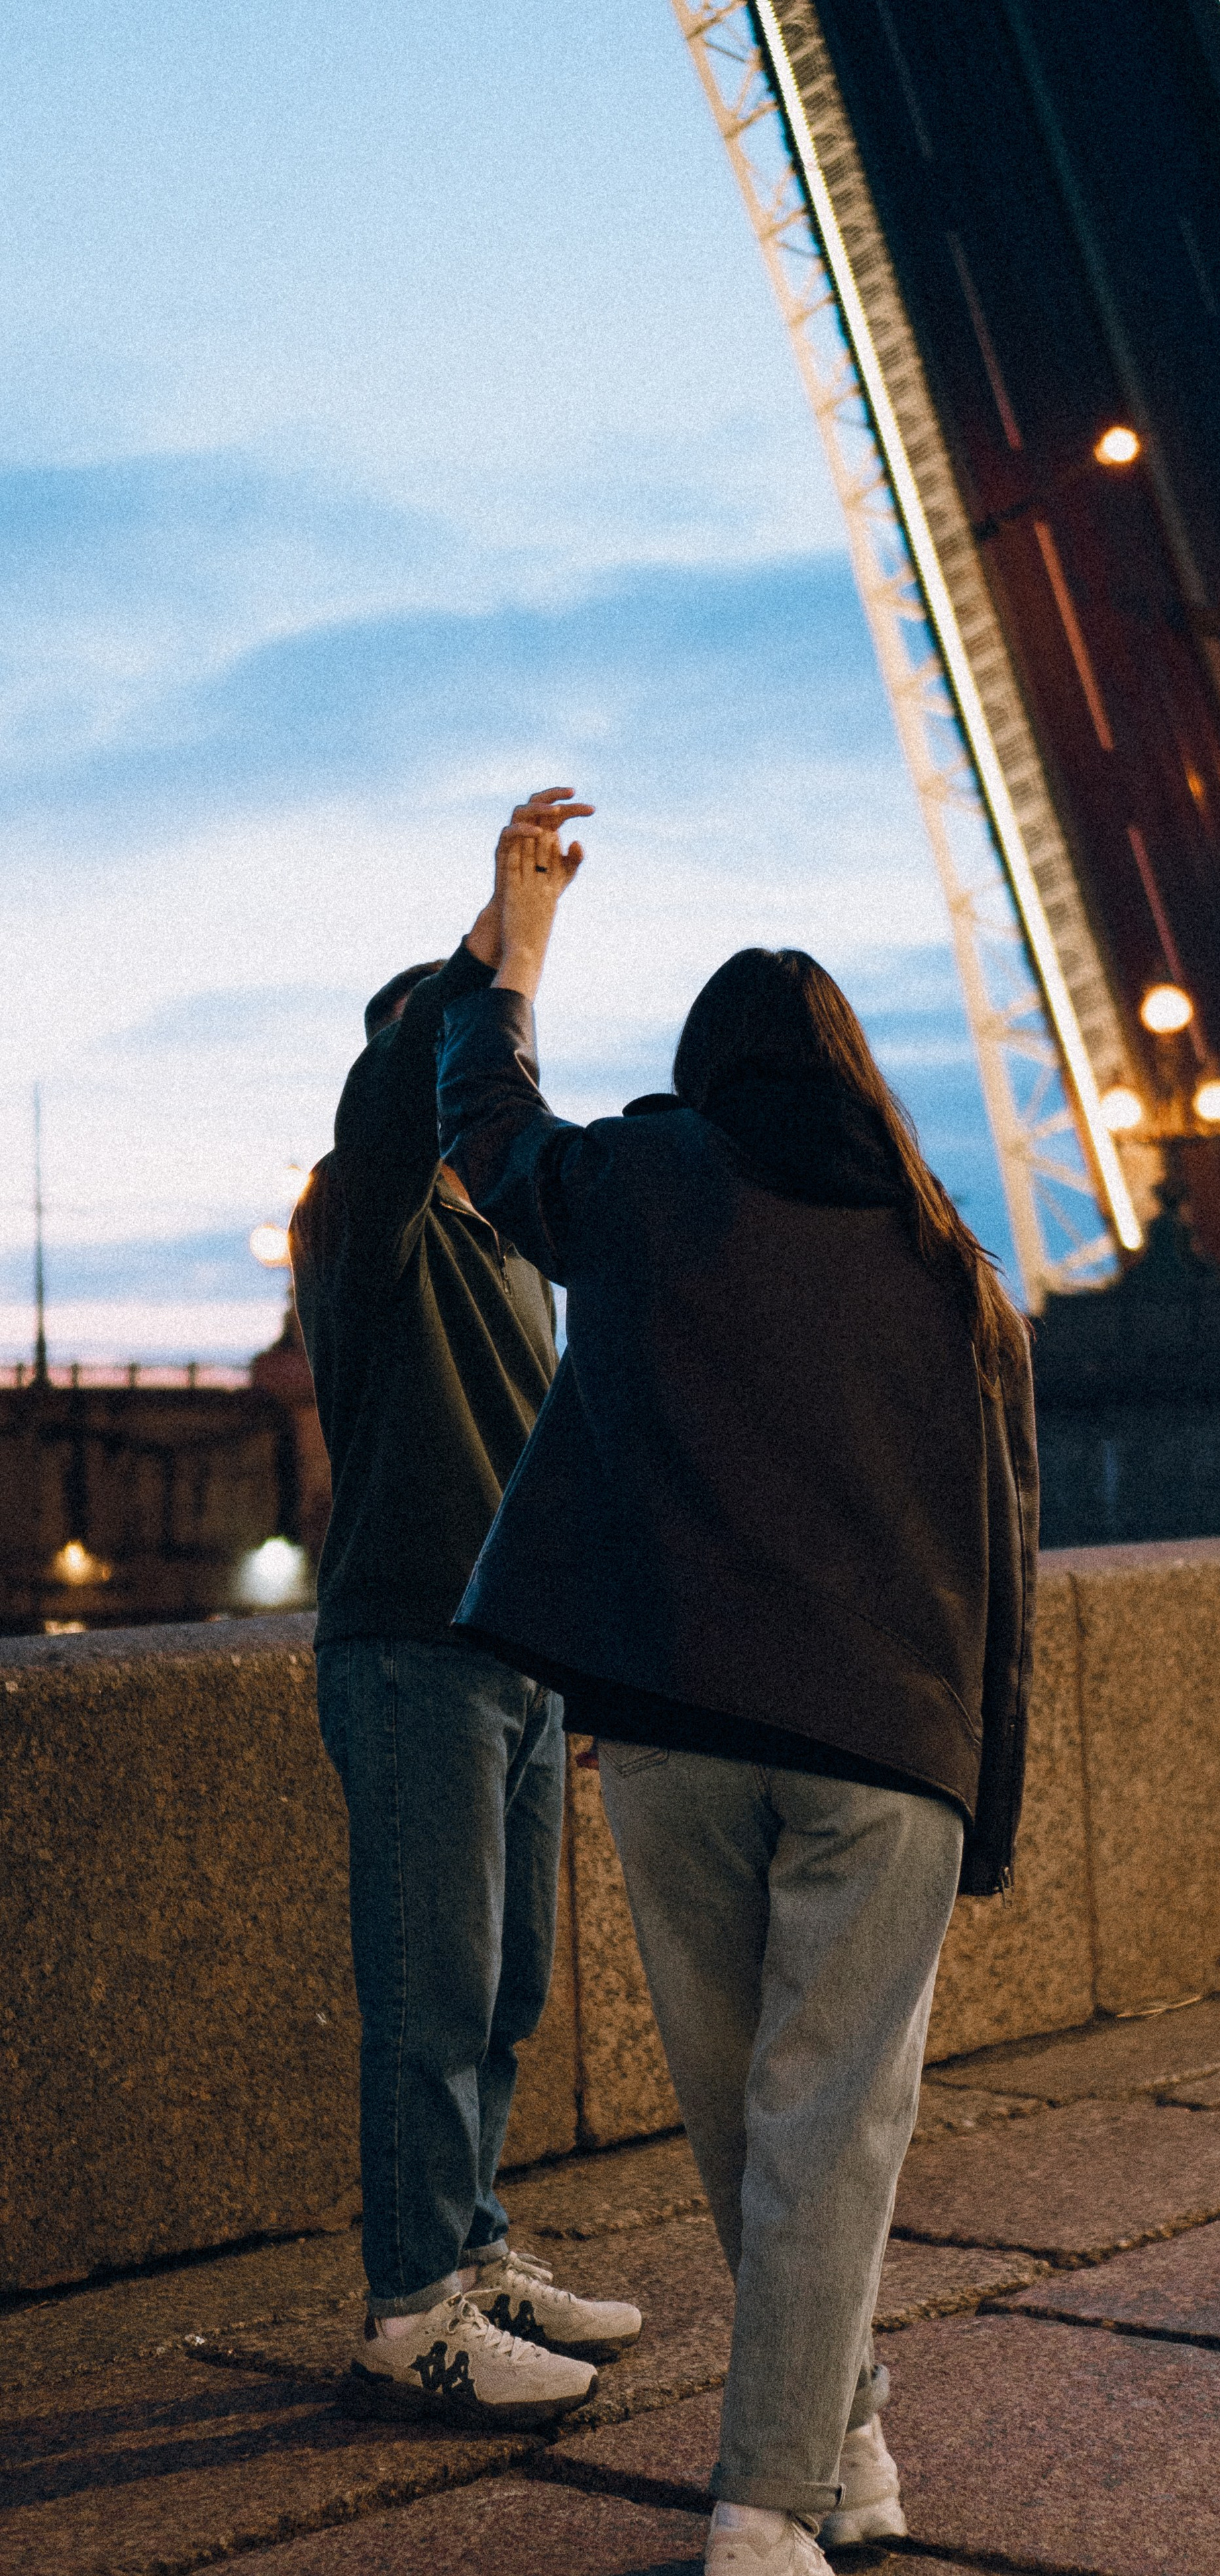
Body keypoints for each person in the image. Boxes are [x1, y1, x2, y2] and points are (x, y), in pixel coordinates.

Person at [436, 810, 1037, 2573]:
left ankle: (772, 2500)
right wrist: (982, 1808)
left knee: (754, 2136)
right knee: (822, 2142)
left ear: (707, 1073)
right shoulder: (962, 1276)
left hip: (681, 1737)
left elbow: (486, 1139)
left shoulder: (650, 1187)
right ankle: (826, 2456)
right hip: (888, 1765)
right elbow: (1006, 1584)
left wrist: (513, 958)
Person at [290, 790, 642, 2430]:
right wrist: (511, 934)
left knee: (504, 1991)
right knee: (428, 1997)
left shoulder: (513, 1254)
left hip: (510, 1653)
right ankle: (411, 2306)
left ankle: (476, 2249)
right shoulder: (379, 1225)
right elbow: (410, 1086)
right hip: (411, 1646)